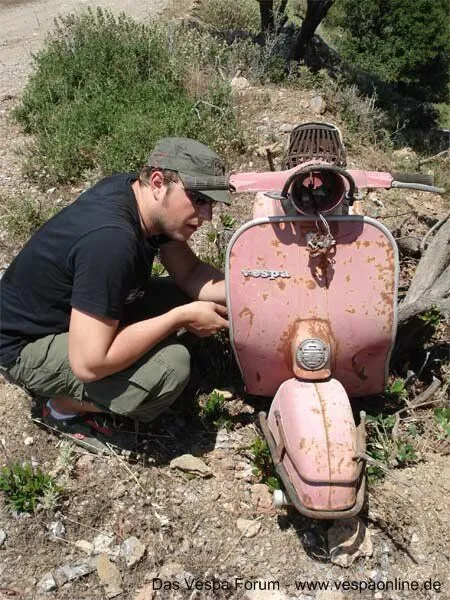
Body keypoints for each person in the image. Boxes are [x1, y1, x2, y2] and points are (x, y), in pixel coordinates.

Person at [0, 137, 230, 453]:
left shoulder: (140, 199)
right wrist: (178, 319)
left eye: (211, 203)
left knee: (190, 299)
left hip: (77, 319)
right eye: (198, 199)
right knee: (171, 367)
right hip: (25, 344)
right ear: (158, 183)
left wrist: (247, 290)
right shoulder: (112, 240)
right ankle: (61, 408)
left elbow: (190, 274)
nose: (207, 215)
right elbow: (89, 364)